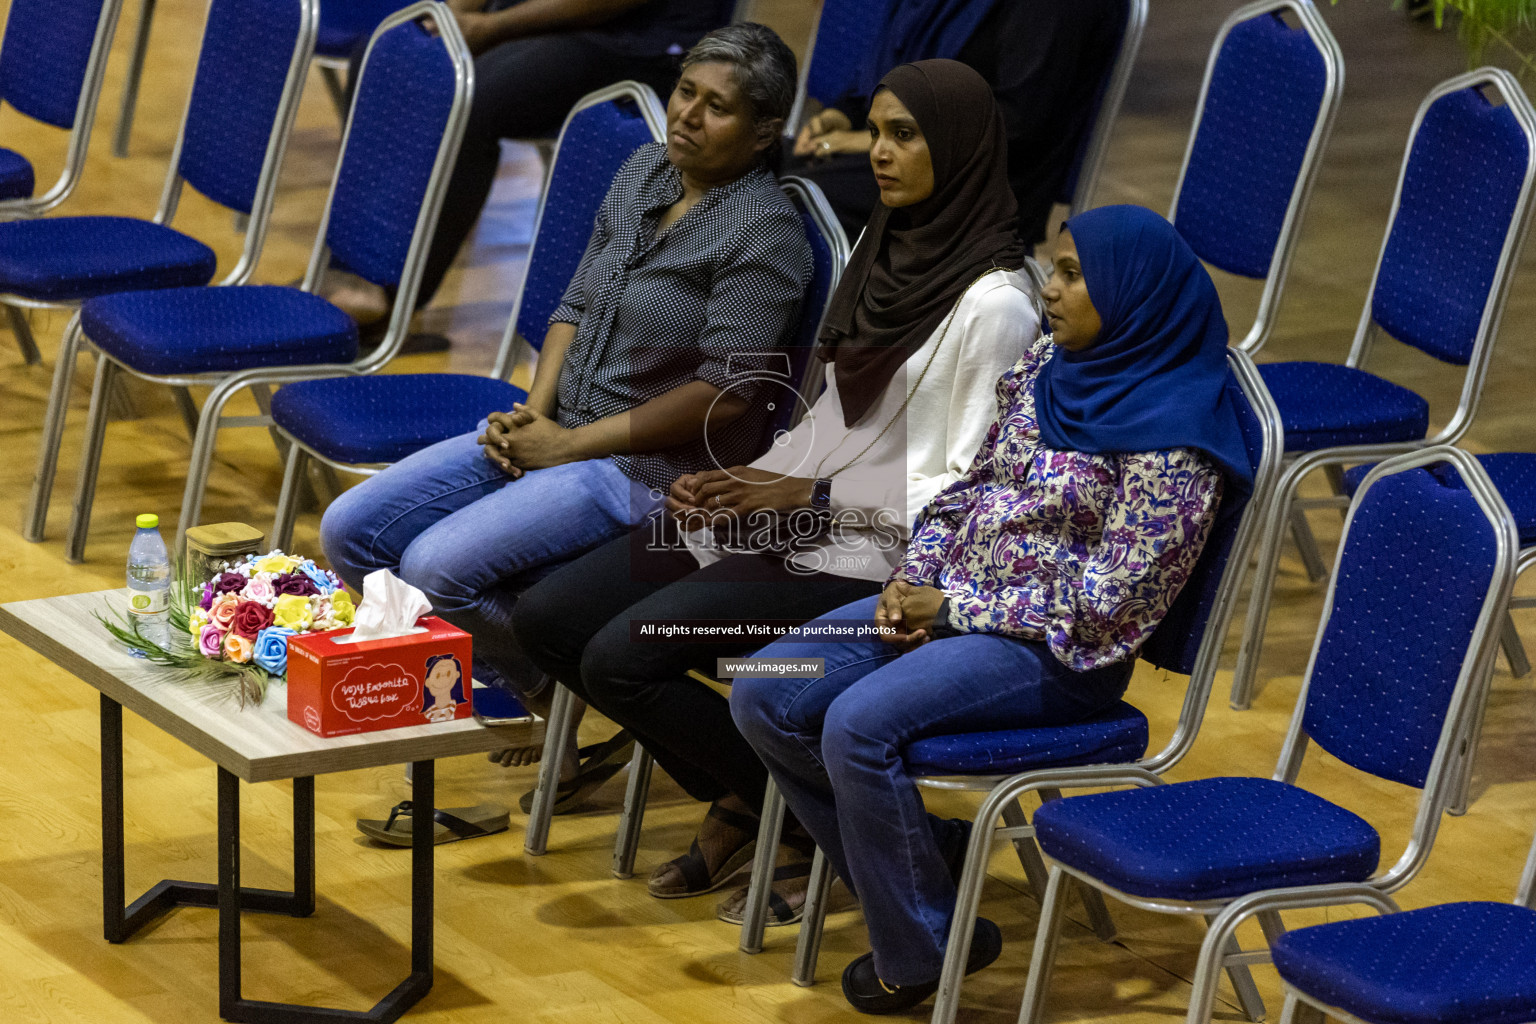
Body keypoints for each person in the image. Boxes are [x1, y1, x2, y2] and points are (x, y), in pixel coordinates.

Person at [511, 61, 1035, 919]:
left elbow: (963, 489)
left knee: (624, 658)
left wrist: (805, 499)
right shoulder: (888, 242)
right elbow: (836, 413)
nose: (880, 152)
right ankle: (774, 806)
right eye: (878, 130)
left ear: (963, 148)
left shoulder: (997, 306)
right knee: (553, 620)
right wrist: (752, 475)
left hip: (870, 548)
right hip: (798, 511)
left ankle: (802, 815)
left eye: (906, 136)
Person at [730, 204, 1256, 1015]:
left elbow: (1107, 606)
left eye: (1074, 275)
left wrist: (953, 608)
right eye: (1053, 267)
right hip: (951, 604)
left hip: (1055, 655)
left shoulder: (1177, 441)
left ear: (1134, 294)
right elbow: (968, 490)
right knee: (764, 690)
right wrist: (915, 579)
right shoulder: (1050, 365)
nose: (1050, 289)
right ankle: (922, 862)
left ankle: (923, 948)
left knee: (857, 726)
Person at [322, 23, 811, 800]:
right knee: (350, 532)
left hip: (644, 467)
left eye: (717, 108)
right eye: (687, 91)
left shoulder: (770, 233)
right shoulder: (645, 171)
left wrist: (570, 443)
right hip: (560, 429)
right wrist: (532, 414)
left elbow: (727, 394)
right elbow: (576, 301)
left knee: (435, 568)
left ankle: (545, 685)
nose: (688, 114)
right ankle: (545, 689)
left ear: (761, 135)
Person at [332, 0, 734, 331]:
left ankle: (392, 294)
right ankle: (352, 261)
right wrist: (455, 14)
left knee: (470, 97)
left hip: (634, 40)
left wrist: (493, 27)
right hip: (539, 21)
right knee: (388, 52)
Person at [787, 0, 1127, 242]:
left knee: (786, 198)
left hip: (971, 186)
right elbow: (898, 62)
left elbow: (1016, 121)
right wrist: (844, 114)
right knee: (759, 163)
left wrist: (882, 137)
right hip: (901, 150)